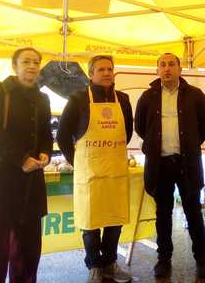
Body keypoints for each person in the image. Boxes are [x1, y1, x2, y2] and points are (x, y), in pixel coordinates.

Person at [0, 47, 53, 283]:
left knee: (27, 254)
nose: (32, 66)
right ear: (14, 66)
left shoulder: (43, 98)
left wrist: (46, 153)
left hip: (31, 186)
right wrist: (22, 159)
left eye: (36, 62)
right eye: (26, 61)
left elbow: (46, 133)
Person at [134, 53, 205, 280]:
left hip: (186, 162)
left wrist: (190, 142)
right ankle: (163, 259)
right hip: (160, 164)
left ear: (180, 69)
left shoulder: (195, 95)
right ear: (157, 70)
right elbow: (140, 126)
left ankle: (202, 259)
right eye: (162, 64)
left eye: (171, 64)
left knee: (193, 212)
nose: (167, 68)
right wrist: (154, 144)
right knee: (163, 214)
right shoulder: (147, 97)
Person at [57, 55, 133, 283]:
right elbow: (62, 135)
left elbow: (127, 133)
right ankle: (94, 266)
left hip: (116, 171)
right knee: (90, 223)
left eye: (110, 69)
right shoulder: (78, 99)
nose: (107, 73)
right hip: (89, 172)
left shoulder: (124, 99)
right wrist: (77, 161)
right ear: (91, 74)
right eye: (101, 69)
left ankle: (110, 263)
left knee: (114, 219)